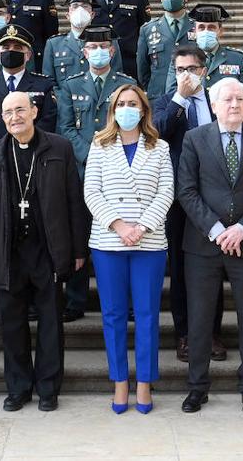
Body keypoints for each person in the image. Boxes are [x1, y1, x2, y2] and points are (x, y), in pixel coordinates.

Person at [0, 90, 89, 412]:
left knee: (51, 322)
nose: (14, 117)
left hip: (47, 249)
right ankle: (18, 388)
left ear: (34, 112)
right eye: (7, 112)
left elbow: (73, 202)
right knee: (12, 325)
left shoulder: (59, 148)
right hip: (7, 252)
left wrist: (78, 249)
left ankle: (49, 389)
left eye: (20, 110)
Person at [176, 79, 243, 415]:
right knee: (200, 319)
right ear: (214, 103)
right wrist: (217, 229)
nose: (234, 104)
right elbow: (187, 191)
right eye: (227, 99)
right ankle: (197, 387)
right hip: (203, 244)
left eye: (240, 98)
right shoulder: (195, 138)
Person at [83, 83, 173, 414]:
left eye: (133, 103)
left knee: (148, 315)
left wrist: (142, 227)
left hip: (148, 242)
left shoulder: (159, 147)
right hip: (109, 241)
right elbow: (91, 190)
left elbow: (167, 191)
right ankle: (120, 381)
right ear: (112, 110)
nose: (127, 109)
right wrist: (119, 225)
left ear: (144, 109)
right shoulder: (99, 144)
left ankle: (145, 383)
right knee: (114, 314)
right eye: (121, 103)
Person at [55, 26, 137, 322]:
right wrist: (92, 155)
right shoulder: (70, 85)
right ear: (84, 52)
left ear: (112, 51)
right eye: (93, 47)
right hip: (81, 170)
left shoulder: (126, 84)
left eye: (104, 46)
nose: (99, 51)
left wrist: (108, 158)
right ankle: (75, 300)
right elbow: (65, 129)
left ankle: (125, 303)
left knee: (119, 235)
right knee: (80, 233)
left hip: (118, 173)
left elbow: (131, 126)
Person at [152, 44, 216, 363]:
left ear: (203, 70)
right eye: (179, 70)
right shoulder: (165, 102)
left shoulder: (216, 99)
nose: (186, 75)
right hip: (178, 198)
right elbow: (159, 134)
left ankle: (212, 332)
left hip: (216, 196)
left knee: (214, 267)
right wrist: (180, 98)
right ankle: (185, 334)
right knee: (179, 267)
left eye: (191, 69)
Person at [0, 24, 58, 147]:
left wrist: (25, 142)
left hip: (33, 149)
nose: (11, 51)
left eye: (17, 48)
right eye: (6, 47)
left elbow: (48, 119)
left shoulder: (43, 85)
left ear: (27, 55)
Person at [42, 0, 123, 85]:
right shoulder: (54, 44)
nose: (80, 10)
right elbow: (49, 82)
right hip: (64, 98)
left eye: (85, 7)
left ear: (92, 15)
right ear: (68, 15)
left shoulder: (109, 42)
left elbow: (116, 78)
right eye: (75, 6)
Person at [137, 0, 194, 103]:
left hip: (191, 98)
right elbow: (143, 70)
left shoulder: (197, 26)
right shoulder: (147, 30)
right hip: (159, 99)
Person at [181, 4, 243, 94]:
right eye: (201, 27)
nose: (206, 31)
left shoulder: (238, 59)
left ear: (220, 31)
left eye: (211, 28)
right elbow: (172, 93)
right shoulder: (182, 59)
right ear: (194, 31)